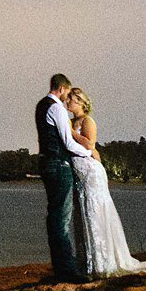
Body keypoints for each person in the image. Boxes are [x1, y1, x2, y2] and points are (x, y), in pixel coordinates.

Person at [64, 86, 146, 277]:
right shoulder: (70, 121)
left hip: (91, 173)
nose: (67, 103)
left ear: (80, 103)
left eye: (71, 100)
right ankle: (87, 262)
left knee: (94, 211)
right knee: (83, 212)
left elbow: (90, 145)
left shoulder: (87, 121)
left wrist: (71, 132)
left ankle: (101, 262)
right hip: (79, 175)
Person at [35, 73, 94, 279]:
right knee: (61, 218)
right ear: (61, 88)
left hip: (46, 164)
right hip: (59, 165)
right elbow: (68, 143)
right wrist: (89, 154)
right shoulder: (56, 108)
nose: (67, 98)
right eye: (67, 93)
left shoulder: (41, 105)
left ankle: (60, 267)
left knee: (54, 217)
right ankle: (67, 271)